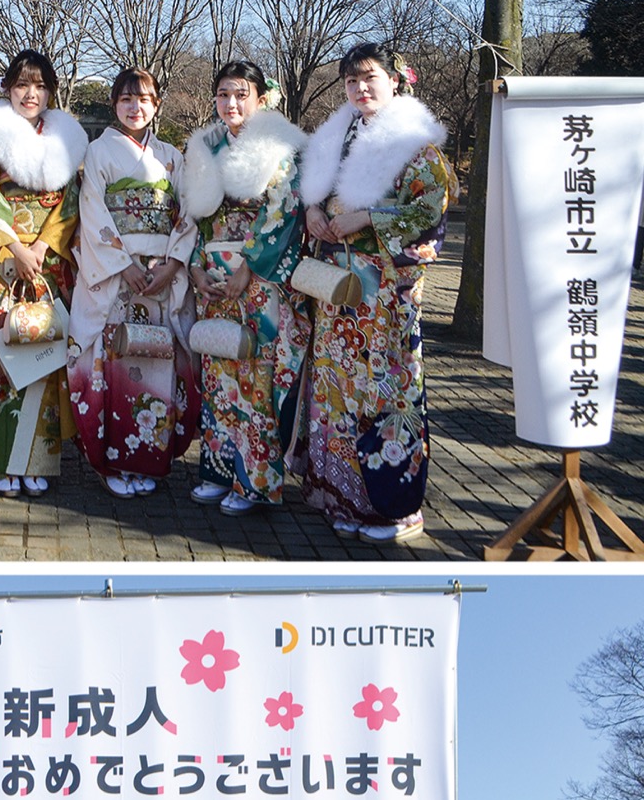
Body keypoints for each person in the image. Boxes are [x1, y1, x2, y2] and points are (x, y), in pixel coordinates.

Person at [291, 40, 456, 543]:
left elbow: (430, 211)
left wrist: (368, 216)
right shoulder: (336, 137)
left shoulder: (417, 146)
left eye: (370, 78)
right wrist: (314, 211)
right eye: (351, 81)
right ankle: (342, 496)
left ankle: (392, 508)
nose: (360, 88)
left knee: (385, 391)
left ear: (395, 80)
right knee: (336, 393)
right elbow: (310, 191)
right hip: (337, 294)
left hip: (385, 297)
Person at [0, 49, 86, 495]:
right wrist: (14, 246)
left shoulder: (66, 141)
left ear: (49, 91)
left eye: (38, 86)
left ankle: (37, 462)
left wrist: (43, 246)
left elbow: (69, 205)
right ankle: (0, 462)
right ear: (7, 90)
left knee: (42, 355)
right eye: (21, 85)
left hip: (44, 264)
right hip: (1, 263)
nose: (30, 94)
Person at [183, 60, 308, 516]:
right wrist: (197, 266)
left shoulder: (279, 148)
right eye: (222, 94)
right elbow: (197, 217)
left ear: (260, 98)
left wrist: (249, 267)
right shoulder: (207, 147)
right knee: (219, 373)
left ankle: (255, 479)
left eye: (241, 94)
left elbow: (284, 214)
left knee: (255, 374)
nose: (230, 103)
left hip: (259, 279)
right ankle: (218, 470)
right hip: (214, 278)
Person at [69, 65, 198, 497]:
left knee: (156, 366)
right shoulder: (98, 152)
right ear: (114, 105)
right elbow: (92, 213)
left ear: (156, 105)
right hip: (118, 278)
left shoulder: (172, 157)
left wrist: (173, 265)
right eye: (126, 99)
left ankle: (150, 460)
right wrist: (123, 265)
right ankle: (112, 463)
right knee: (115, 365)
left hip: (159, 276)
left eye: (143, 99)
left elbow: (189, 213)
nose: (134, 107)